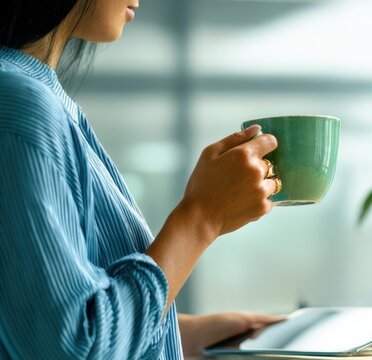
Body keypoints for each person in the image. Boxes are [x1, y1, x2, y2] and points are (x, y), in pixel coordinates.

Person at [0, 0, 285, 358]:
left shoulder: (37, 98)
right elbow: (76, 348)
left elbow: (34, 319)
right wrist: (202, 218)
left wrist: (184, 334)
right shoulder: (19, 107)